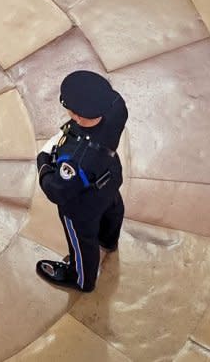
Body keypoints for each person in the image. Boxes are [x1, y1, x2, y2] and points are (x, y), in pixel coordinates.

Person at [35, 70, 128, 292]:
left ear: (76, 115)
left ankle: (81, 278)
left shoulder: (75, 158)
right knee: (112, 208)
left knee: (82, 238)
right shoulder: (116, 108)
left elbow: (57, 190)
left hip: (82, 204)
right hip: (110, 177)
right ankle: (108, 240)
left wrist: (44, 162)